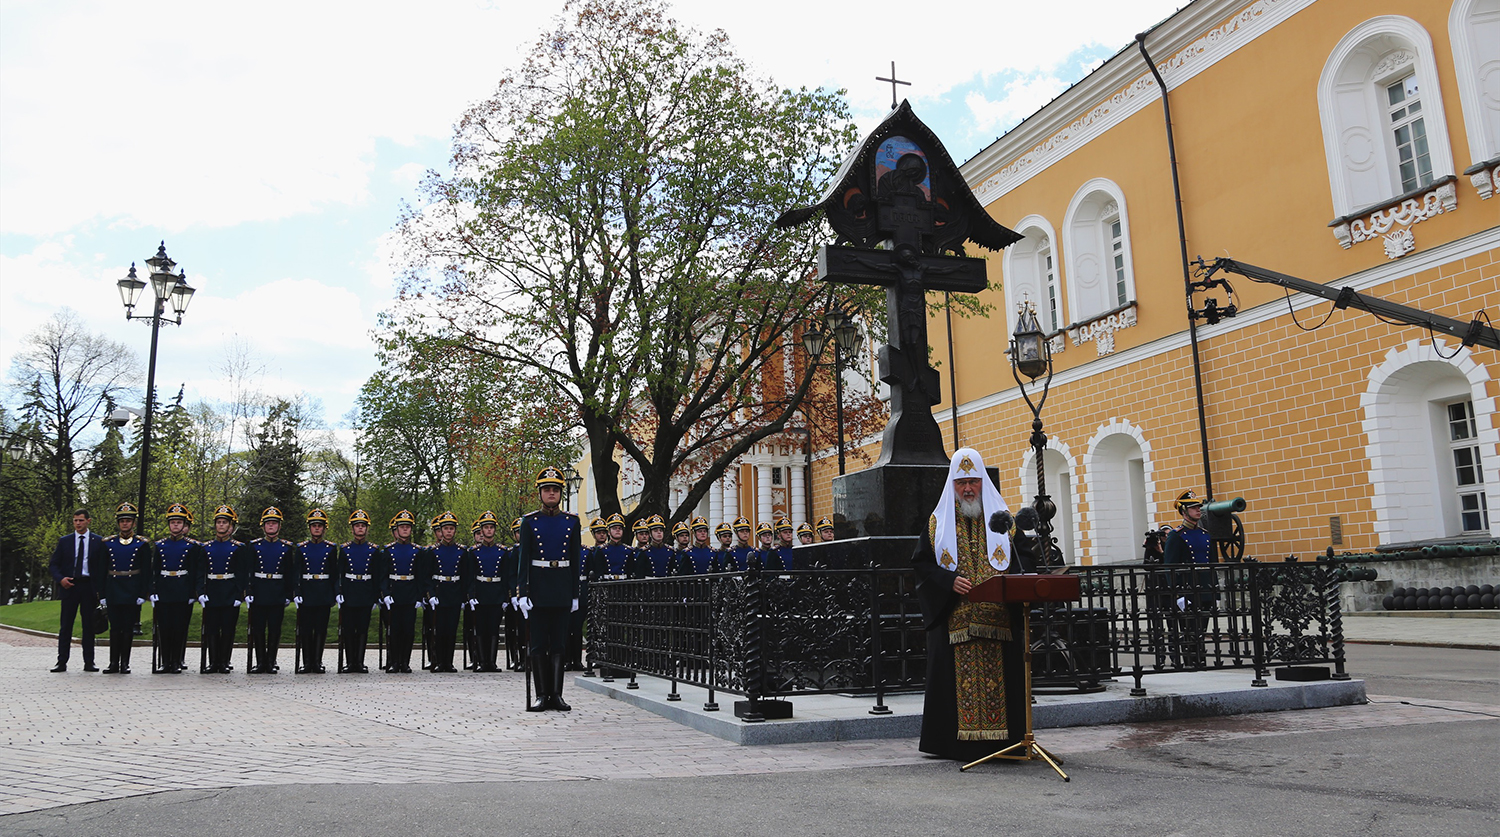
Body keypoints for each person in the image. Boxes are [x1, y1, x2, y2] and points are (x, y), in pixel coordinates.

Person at [911, 447, 1026, 761]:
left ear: (982, 482)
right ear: (952, 485)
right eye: (961, 483)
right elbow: (922, 565)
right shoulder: (938, 523)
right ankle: (955, 745)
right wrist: (948, 582)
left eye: (973, 481)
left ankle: (1005, 741)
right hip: (956, 620)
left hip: (998, 622)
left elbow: (1021, 562)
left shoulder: (1005, 522)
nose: (968, 489)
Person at [517, 466, 582, 711]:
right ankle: (541, 694)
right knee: (537, 645)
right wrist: (522, 593)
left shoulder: (572, 522)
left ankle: (557, 694)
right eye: (547, 490)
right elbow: (523, 561)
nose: (551, 494)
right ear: (540, 493)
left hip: (562, 588)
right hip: (539, 590)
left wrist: (575, 594)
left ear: (560, 493)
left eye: (555, 489)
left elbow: (576, 561)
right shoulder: (530, 521)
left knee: (558, 645)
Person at [1164, 491, 1217, 668]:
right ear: (1184, 511)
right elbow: (1170, 566)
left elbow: (1211, 563)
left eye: (1198, 507)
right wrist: (1177, 592)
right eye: (1193, 508)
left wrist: (1213, 588)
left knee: (1201, 629)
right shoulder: (1176, 535)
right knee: (1189, 629)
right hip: (1187, 588)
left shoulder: (1205, 534)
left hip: (1204, 588)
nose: (1198, 510)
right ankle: (1190, 661)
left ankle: (1200, 659)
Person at [49, 508, 105, 672]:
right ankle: (61, 662)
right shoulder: (65, 541)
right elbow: (54, 564)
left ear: (88, 521)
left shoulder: (98, 541)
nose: (78, 523)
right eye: (75, 520)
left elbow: (102, 566)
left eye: (81, 520)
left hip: (88, 586)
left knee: (89, 625)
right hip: (70, 586)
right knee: (66, 625)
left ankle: (89, 662)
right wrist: (60, 579)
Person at [199, 505, 253, 673]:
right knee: (212, 629)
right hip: (213, 591)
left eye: (225, 523)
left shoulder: (238, 547)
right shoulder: (206, 547)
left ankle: (224, 661)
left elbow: (242, 572)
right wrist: (201, 592)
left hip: (229, 591)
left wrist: (239, 594)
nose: (221, 525)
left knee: (228, 629)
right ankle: (213, 661)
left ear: (231, 526)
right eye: (219, 522)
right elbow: (201, 572)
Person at [99, 502, 152, 674]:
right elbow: (102, 570)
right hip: (114, 588)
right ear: (118, 523)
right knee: (115, 628)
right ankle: (113, 662)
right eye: (122, 521)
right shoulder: (108, 543)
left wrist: (143, 593)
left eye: (128, 521)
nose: (125, 524)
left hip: (131, 589)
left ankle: (125, 663)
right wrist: (102, 593)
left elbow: (146, 571)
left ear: (134, 523)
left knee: (128, 628)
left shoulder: (142, 544)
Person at [151, 503, 204, 674]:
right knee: (164, 628)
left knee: (179, 628)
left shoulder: (192, 546)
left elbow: (196, 571)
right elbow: (155, 571)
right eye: (173, 522)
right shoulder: (160, 545)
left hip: (182, 590)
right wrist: (153, 591)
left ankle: (176, 661)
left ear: (184, 525)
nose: (175, 525)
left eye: (179, 522)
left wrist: (193, 593)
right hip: (165, 589)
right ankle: (165, 662)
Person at [246, 507, 296, 674]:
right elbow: (250, 571)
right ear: (263, 526)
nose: (271, 526)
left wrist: (289, 594)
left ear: (279, 526)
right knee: (258, 629)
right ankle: (260, 662)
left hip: (277, 593)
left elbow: (289, 573)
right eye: (268, 523)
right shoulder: (254, 546)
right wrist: (249, 592)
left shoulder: (286, 547)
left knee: (275, 629)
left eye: (274, 523)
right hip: (260, 592)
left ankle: (272, 660)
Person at [337, 510, 384, 673]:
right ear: (352, 529)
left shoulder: (373, 550)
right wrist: (339, 591)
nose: (360, 529)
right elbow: (340, 573)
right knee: (349, 629)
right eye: (357, 526)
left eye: (363, 526)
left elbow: (377, 575)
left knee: (363, 628)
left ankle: (360, 661)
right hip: (350, 591)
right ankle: (350, 662)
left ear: (367, 529)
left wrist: (376, 596)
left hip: (365, 592)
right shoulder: (344, 549)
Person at [293, 509, 339, 674]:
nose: (317, 529)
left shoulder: (331, 548)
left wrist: (335, 593)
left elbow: (334, 573)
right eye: (314, 526)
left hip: (323, 592)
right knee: (306, 629)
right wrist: (296, 593)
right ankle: (307, 662)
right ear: (310, 528)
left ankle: (317, 662)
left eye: (320, 526)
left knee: (320, 629)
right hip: (307, 591)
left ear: (324, 528)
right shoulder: (301, 548)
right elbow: (296, 573)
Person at [424, 511, 469, 673]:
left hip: (454, 593)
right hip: (439, 592)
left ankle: (448, 662)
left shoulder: (462, 551)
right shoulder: (433, 551)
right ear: (440, 531)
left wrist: (465, 597)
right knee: (438, 629)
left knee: (451, 630)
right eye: (446, 529)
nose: (449, 531)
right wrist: (431, 595)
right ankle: (438, 661)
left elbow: (465, 576)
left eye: (451, 528)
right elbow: (427, 577)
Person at [382, 510, 423, 674]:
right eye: (402, 527)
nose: (405, 530)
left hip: (410, 593)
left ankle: (405, 662)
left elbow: (420, 575)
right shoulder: (388, 550)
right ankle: (394, 661)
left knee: (408, 630)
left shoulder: (416, 551)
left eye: (408, 527)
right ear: (396, 529)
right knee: (394, 630)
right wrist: (385, 594)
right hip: (394, 592)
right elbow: (383, 576)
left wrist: (419, 596)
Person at [467, 511, 508, 672]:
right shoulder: (474, 552)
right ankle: (481, 661)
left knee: (493, 629)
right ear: (481, 530)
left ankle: (492, 661)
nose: (489, 530)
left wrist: (506, 596)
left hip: (496, 593)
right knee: (480, 629)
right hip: (481, 593)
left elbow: (505, 576)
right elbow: (470, 576)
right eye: (486, 528)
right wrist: (471, 595)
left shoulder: (502, 552)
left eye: (491, 527)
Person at [502, 517, 527, 671]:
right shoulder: (513, 553)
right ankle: (520, 659)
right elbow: (511, 575)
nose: (520, 535)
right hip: (517, 596)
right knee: (518, 630)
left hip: (531, 594)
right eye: (517, 532)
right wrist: (512, 595)